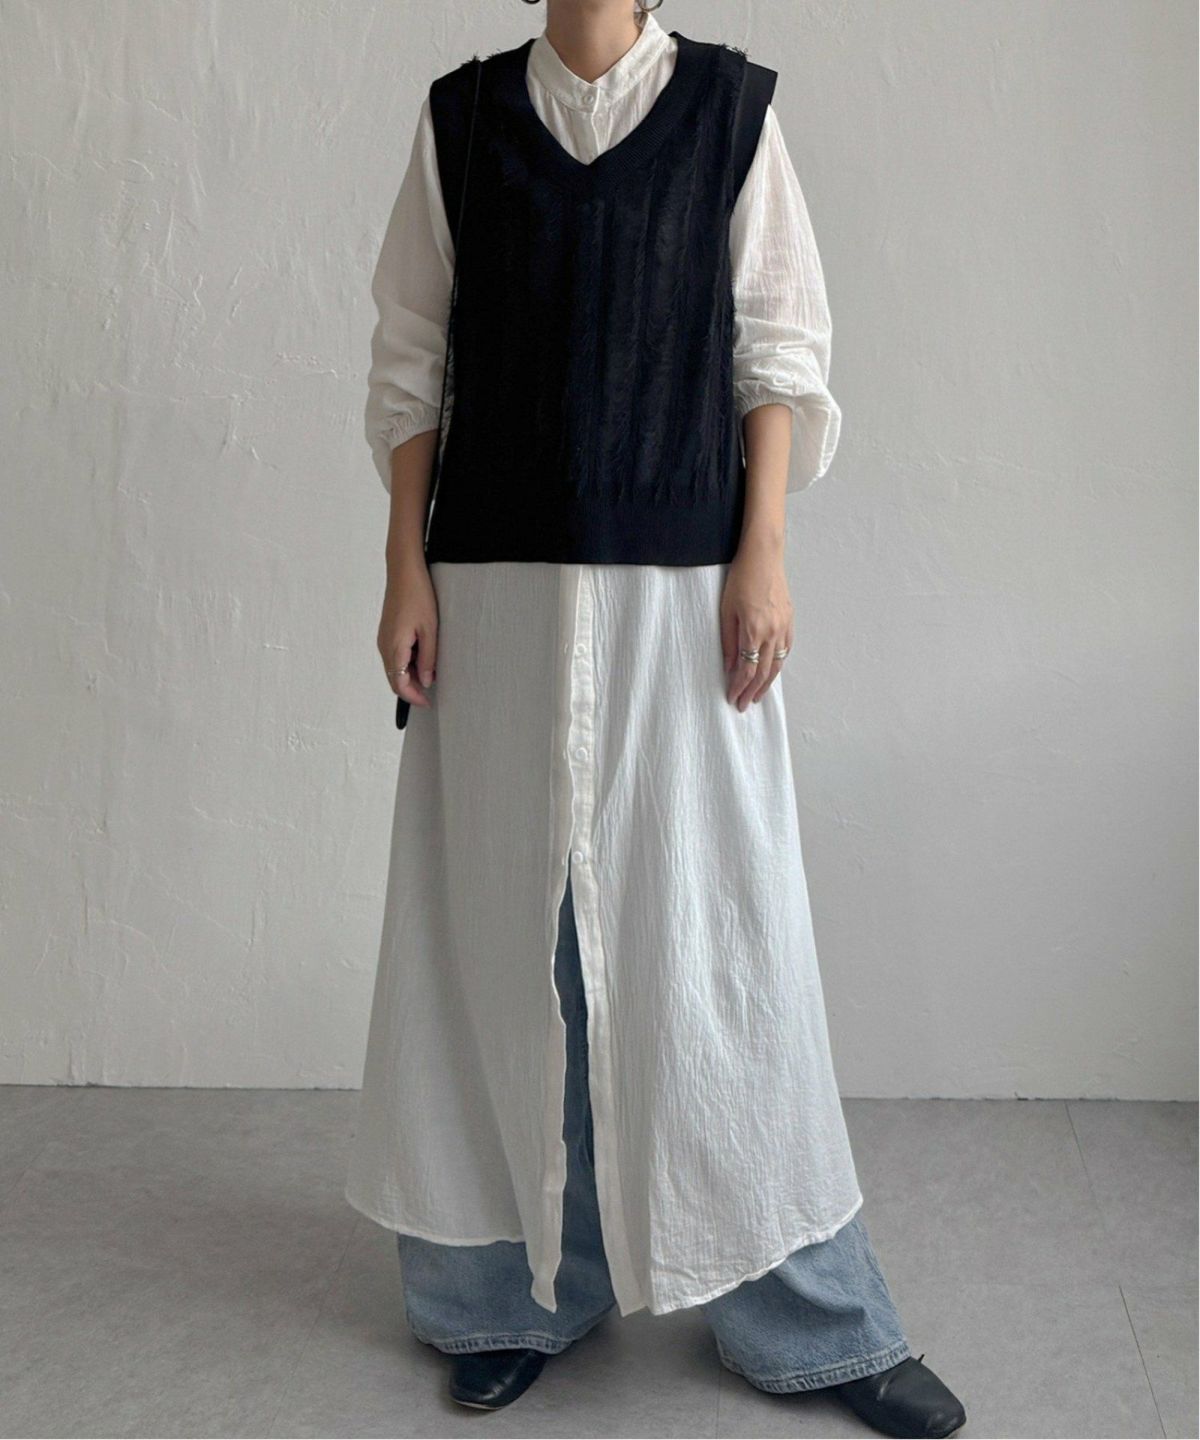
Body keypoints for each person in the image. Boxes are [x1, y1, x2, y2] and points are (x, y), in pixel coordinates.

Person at [346, 3, 967, 1436]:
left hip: (682, 594)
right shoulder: (463, 124)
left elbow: (777, 351)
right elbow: (411, 359)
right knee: (496, 946)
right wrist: (403, 569)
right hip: (493, 594)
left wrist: (765, 554)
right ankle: (506, 1296)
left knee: (720, 943)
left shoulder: (729, 113)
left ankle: (809, 1315)